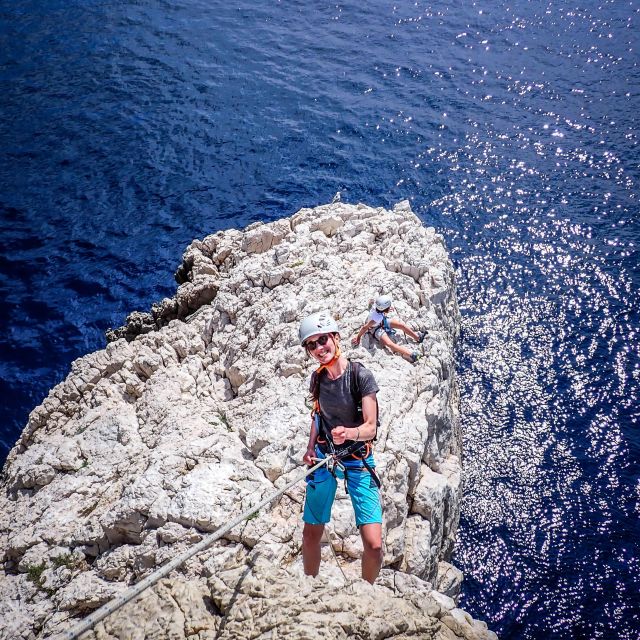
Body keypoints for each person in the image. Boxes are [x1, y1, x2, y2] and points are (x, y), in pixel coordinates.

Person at [299, 310, 383, 584]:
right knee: (310, 534)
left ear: (335, 338)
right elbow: (317, 414)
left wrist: (349, 433)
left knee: (374, 545)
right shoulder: (318, 379)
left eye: (322, 340)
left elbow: (371, 427)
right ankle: (310, 586)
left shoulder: (361, 376)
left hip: (358, 458)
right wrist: (311, 448)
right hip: (325, 456)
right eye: (311, 345)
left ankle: (366, 594)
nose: (318, 348)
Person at [351, 294, 425, 362]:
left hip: (382, 321)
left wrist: (385, 310)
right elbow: (365, 327)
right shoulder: (377, 318)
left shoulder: (376, 305)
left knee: (401, 325)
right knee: (389, 343)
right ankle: (410, 354)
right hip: (375, 328)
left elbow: (373, 304)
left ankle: (418, 337)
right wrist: (358, 337)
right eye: (388, 307)